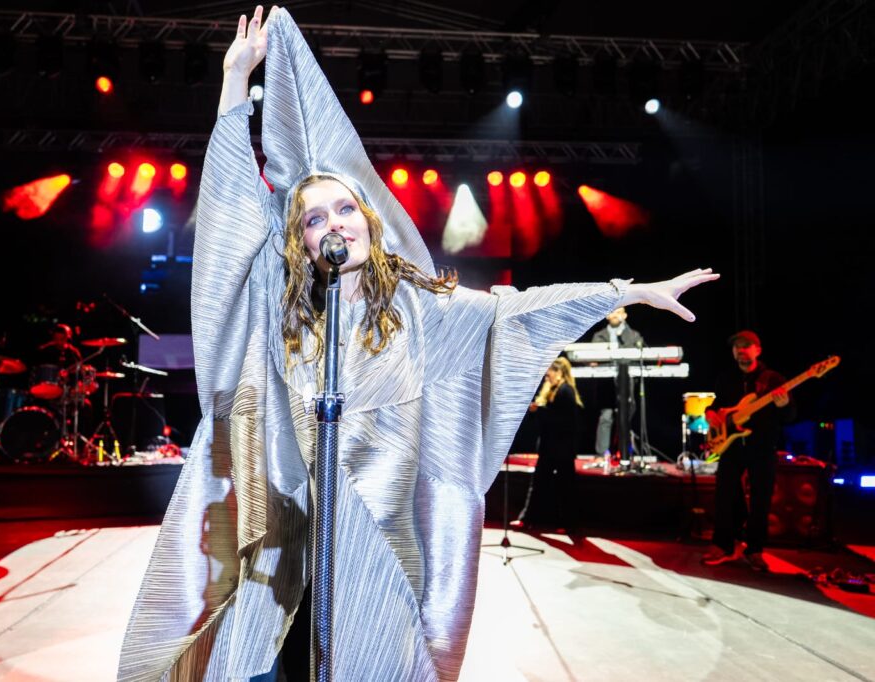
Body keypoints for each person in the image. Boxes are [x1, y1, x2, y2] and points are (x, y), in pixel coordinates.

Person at [118, 7, 719, 681]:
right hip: (289, 545)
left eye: (346, 208)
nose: (333, 224)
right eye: (313, 218)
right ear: (299, 241)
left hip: (381, 550)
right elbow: (230, 212)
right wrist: (235, 83)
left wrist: (627, 291)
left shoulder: (423, 310)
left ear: (370, 221)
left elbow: (516, 312)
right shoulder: (278, 313)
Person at [701, 330, 793, 571]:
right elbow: (717, 405)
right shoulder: (726, 377)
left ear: (757, 350)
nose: (741, 350)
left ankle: (755, 550)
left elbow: (790, 416)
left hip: (762, 446)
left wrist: (785, 405)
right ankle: (722, 545)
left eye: (746, 345)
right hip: (731, 445)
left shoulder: (772, 379)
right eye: (737, 346)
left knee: (761, 499)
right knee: (724, 495)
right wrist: (710, 413)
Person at [511, 357, 583, 532]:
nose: (546, 376)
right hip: (551, 447)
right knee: (540, 484)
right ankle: (528, 519)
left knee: (564, 486)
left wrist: (540, 411)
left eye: (549, 372)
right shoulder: (554, 391)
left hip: (561, 448)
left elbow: (564, 421)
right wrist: (537, 412)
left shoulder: (565, 391)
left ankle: (567, 523)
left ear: (559, 372)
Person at [589, 307, 644, 455]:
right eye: (613, 311)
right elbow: (592, 357)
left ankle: (623, 452)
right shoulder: (599, 335)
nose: (615, 314)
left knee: (625, 416)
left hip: (626, 382)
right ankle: (602, 454)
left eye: (619, 312)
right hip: (606, 382)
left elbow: (638, 354)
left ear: (624, 315)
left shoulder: (633, 335)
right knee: (606, 416)